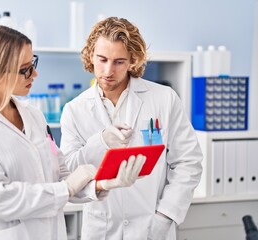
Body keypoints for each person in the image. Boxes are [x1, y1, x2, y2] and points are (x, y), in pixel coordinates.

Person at [0, 25, 147, 240]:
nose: (35, 73)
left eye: (32, 63)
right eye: (25, 69)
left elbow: (60, 175)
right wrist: (66, 189)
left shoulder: (34, 116)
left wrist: (102, 184)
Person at [60, 17, 203, 240]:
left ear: (133, 61)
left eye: (118, 62)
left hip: (152, 226)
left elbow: (188, 162)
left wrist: (165, 216)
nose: (108, 71)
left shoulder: (164, 99)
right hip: (102, 229)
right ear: (90, 56)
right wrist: (100, 143)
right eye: (102, 59)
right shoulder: (74, 110)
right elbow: (69, 174)